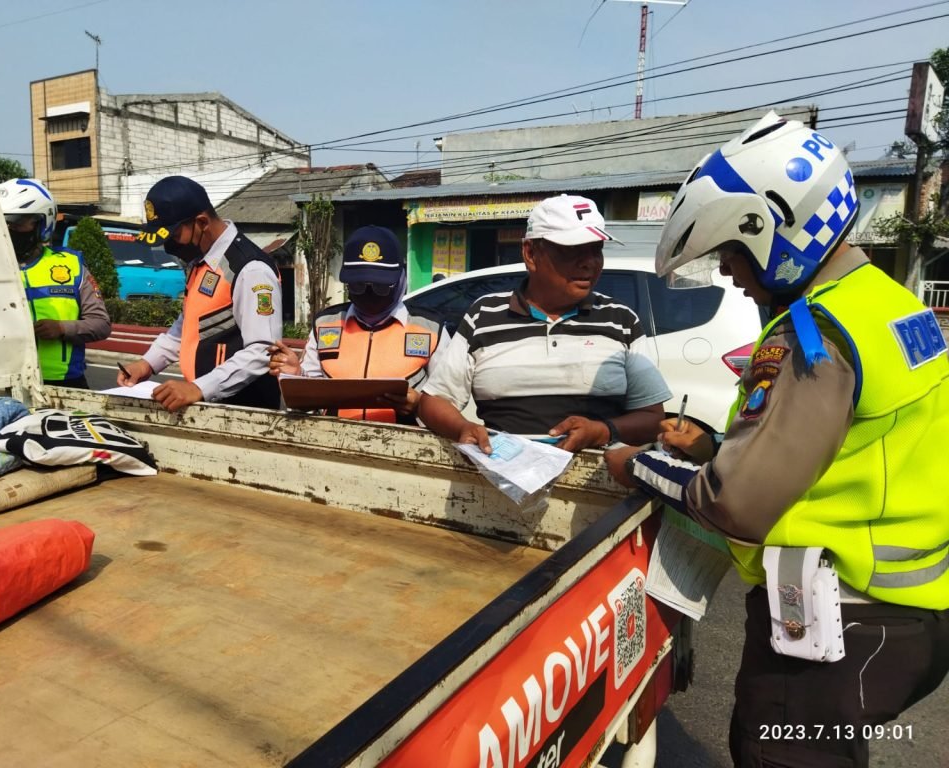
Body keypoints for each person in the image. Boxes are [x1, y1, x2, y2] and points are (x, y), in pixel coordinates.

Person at [605, 111, 949, 768]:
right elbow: (850, 448)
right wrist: (712, 443)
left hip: (835, 628)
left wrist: (636, 465)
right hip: (918, 615)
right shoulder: (893, 304)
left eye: (733, 251)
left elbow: (733, 503)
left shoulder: (816, 334)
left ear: (776, 232)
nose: (730, 271)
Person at [418, 194, 671, 453]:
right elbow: (435, 401)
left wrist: (602, 431)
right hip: (501, 480)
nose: (589, 262)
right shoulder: (483, 315)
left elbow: (652, 418)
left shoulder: (621, 320)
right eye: (572, 250)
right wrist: (462, 428)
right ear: (530, 253)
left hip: (594, 487)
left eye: (596, 250)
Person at [117, 176, 282, 412]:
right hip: (208, 405)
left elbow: (263, 351)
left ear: (202, 222)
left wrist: (199, 388)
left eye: (174, 237)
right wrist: (147, 364)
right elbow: (188, 325)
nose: (170, 247)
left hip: (245, 410)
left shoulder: (249, 269)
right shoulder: (201, 263)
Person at [268, 225, 450, 425]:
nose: (368, 294)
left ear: (400, 279)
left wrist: (419, 405)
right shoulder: (326, 324)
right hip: (335, 446)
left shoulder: (431, 329)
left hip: (407, 448)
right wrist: (296, 376)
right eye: (358, 286)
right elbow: (309, 402)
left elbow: (450, 401)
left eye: (381, 287)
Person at [0, 178, 111, 388]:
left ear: (43, 223)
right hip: (6, 383)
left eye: (19, 223)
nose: (9, 231)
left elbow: (101, 324)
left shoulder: (72, 266)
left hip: (66, 384)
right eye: (4, 224)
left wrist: (62, 328)